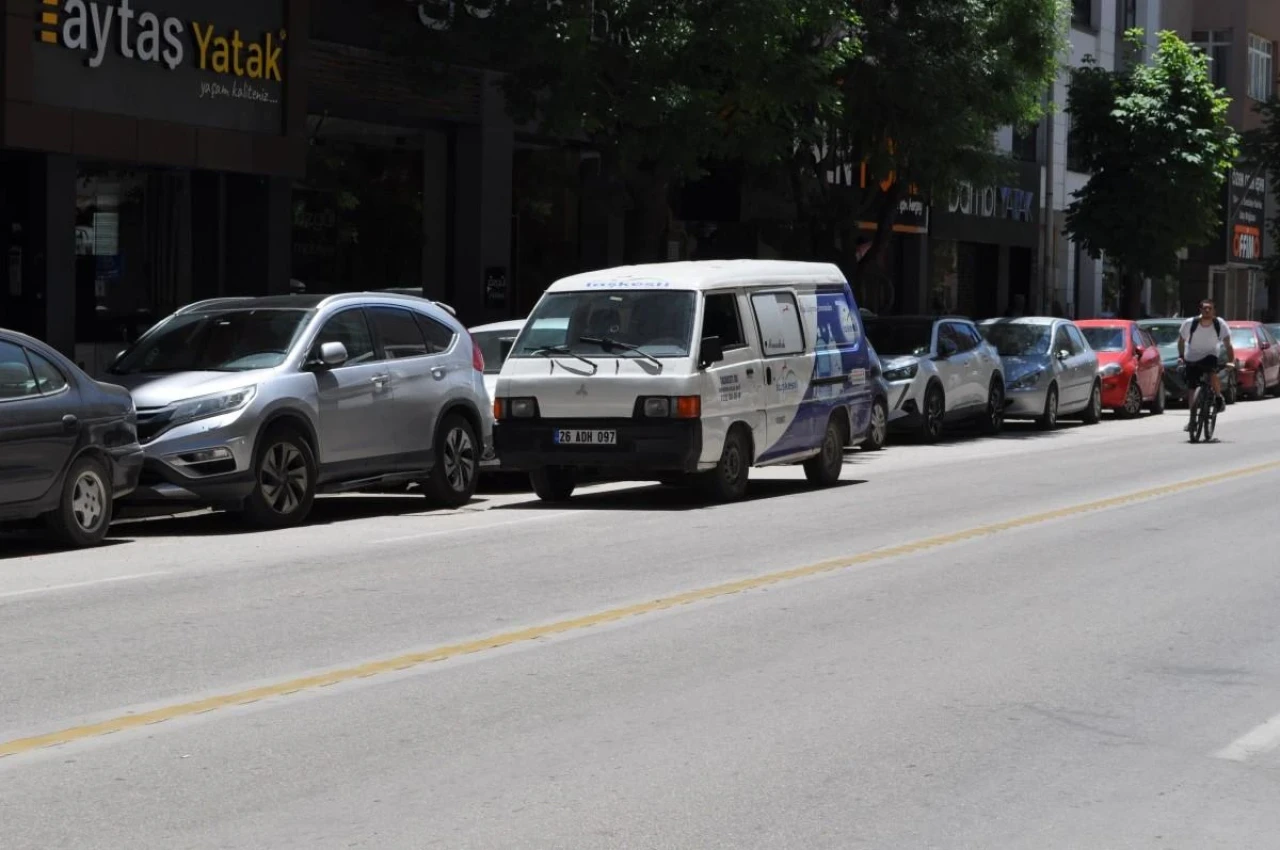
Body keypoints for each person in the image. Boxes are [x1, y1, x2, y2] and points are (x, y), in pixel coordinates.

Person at [1178, 299, 1234, 427]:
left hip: (1211, 354)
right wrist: (1181, 356)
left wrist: (1231, 361)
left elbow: (1228, 344)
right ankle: (1192, 419)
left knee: (1212, 372)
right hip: (1192, 356)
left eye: (1210, 308)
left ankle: (1219, 397)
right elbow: (1181, 341)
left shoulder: (1219, 323)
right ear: (1200, 310)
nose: (1207, 310)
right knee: (1192, 387)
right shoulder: (1190, 323)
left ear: (1214, 310)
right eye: (1204, 308)